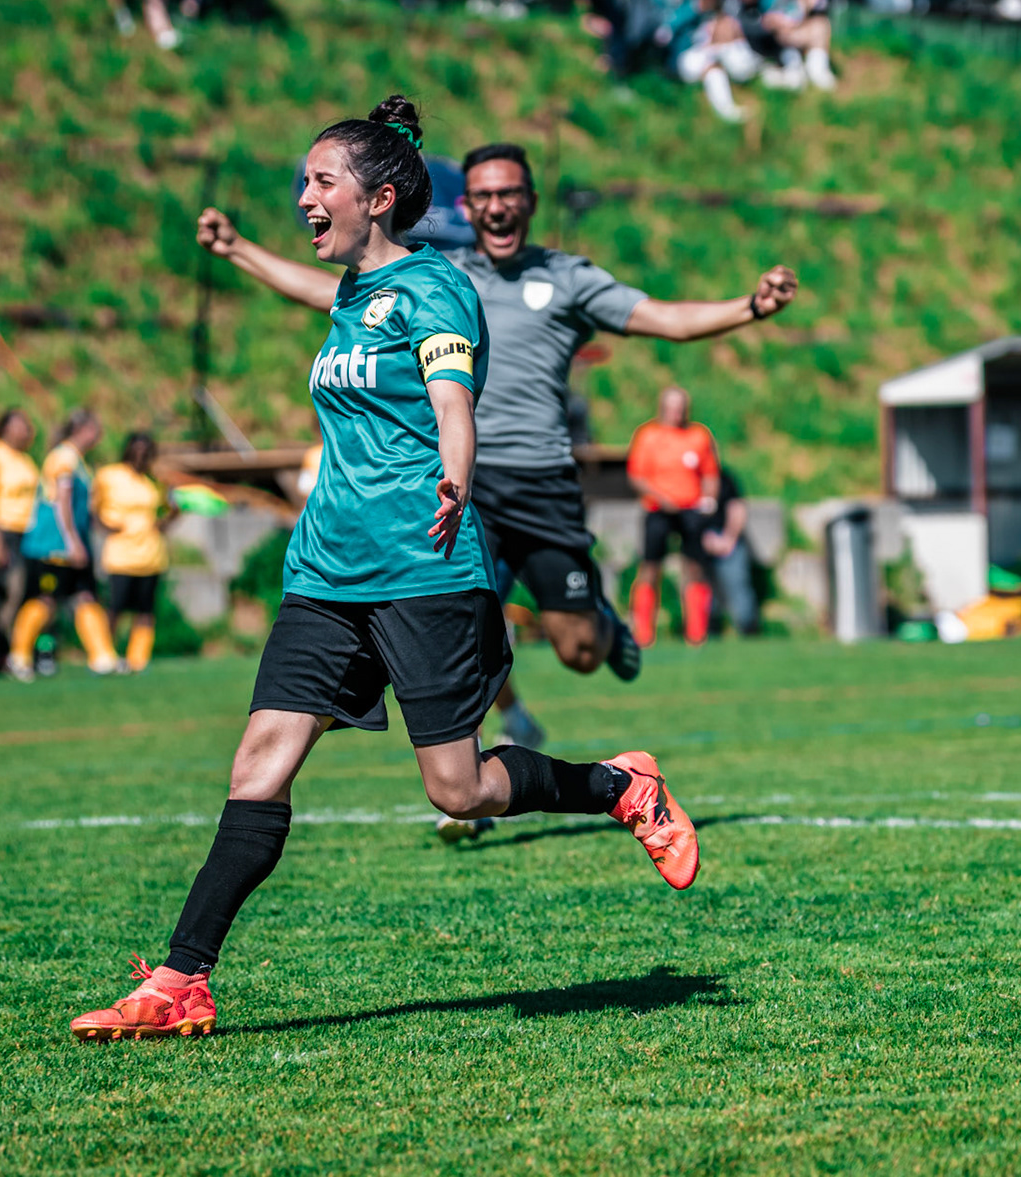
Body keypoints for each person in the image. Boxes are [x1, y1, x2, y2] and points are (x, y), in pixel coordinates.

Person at [71, 97, 700, 1042]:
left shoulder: (437, 291)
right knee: (258, 764)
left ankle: (618, 786)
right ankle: (179, 980)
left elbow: (454, 396)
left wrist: (456, 473)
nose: (306, 198)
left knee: (460, 790)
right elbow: (305, 285)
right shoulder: (352, 297)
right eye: (305, 182)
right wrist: (239, 252)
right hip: (326, 575)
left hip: (425, 570)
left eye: (322, 182)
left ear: (383, 196)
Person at [197, 140, 795, 771]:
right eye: (482, 196)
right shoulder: (435, 275)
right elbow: (333, 293)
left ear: (530, 202)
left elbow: (665, 318)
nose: (497, 207)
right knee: (464, 636)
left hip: (541, 485)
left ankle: (603, 626)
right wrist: (237, 249)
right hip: (459, 486)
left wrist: (750, 307)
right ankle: (464, 787)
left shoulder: (566, 279)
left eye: (509, 194)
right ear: (468, 206)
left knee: (579, 650)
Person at [8, 410, 123, 680]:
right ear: (84, 429)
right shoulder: (64, 458)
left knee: (85, 596)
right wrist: (73, 542)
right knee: (45, 599)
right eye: (96, 429)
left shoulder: (78, 459)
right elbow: (62, 502)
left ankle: (102, 657)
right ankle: (19, 657)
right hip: (52, 545)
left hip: (70, 543)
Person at [628, 386, 721, 647]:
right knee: (650, 567)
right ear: (662, 408)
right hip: (658, 510)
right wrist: (661, 497)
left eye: (680, 407)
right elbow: (637, 476)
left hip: (690, 510)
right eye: (672, 407)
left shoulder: (698, 436)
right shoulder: (648, 435)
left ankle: (696, 632)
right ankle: (644, 632)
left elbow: (711, 473)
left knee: (694, 567)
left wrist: (709, 499)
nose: (676, 413)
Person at [92, 432, 181, 675]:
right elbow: (93, 505)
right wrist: (103, 525)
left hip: (151, 554)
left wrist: (173, 514)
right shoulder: (110, 475)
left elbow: (164, 514)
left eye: (146, 450)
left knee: (145, 610)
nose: (141, 455)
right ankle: (104, 656)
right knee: (115, 608)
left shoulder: (154, 481)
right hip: (121, 554)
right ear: (129, 450)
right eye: (137, 449)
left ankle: (137, 660)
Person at [0, 409, 42, 653]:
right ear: (5, 427)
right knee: (10, 590)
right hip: (4, 530)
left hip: (27, 533)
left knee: (25, 592)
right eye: (20, 424)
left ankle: (15, 651)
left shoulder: (26, 459)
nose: (26, 429)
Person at [703, 462, 760, 635]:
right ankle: (706, 632)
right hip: (699, 541)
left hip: (727, 538)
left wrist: (728, 538)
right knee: (704, 594)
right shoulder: (686, 478)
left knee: (737, 584)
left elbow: (737, 508)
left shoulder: (725, 477)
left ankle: (749, 631)